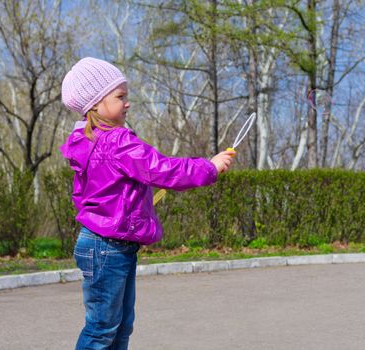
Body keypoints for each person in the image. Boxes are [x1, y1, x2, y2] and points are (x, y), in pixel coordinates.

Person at [60, 57, 235, 349]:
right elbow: (163, 168)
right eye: (120, 97)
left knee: (120, 327)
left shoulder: (87, 142)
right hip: (107, 248)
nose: (127, 103)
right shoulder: (117, 142)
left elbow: (86, 196)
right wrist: (210, 167)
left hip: (110, 245)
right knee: (102, 328)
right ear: (94, 105)